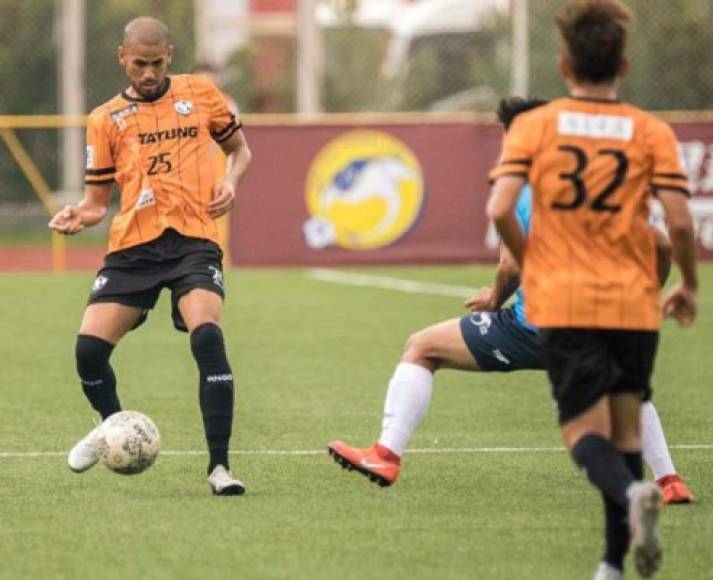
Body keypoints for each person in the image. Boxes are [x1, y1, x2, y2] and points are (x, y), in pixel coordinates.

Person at [326, 96, 694, 510]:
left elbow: (511, 264)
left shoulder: (519, 184)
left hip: (535, 327)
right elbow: (662, 244)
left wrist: (493, 297)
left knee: (421, 347)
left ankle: (386, 455)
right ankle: (670, 480)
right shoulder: (604, 179)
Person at [487, 2, 698, 578]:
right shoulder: (650, 131)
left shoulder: (535, 127)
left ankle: (634, 500)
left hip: (569, 301)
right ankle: (610, 564)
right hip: (633, 305)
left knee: (585, 436)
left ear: (563, 65)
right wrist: (687, 284)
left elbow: (501, 208)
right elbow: (679, 223)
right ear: (624, 65)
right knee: (626, 436)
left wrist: (532, 263)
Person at [48, 17, 252, 496]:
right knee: (88, 352)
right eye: (139, 63)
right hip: (133, 247)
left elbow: (240, 151)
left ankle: (220, 468)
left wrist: (231, 181)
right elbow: (98, 203)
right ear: (123, 57)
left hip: (193, 240)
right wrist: (80, 215)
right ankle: (110, 426)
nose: (148, 73)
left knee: (207, 335)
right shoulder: (104, 119)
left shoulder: (200, 93)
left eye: (157, 63)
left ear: (170, 56)